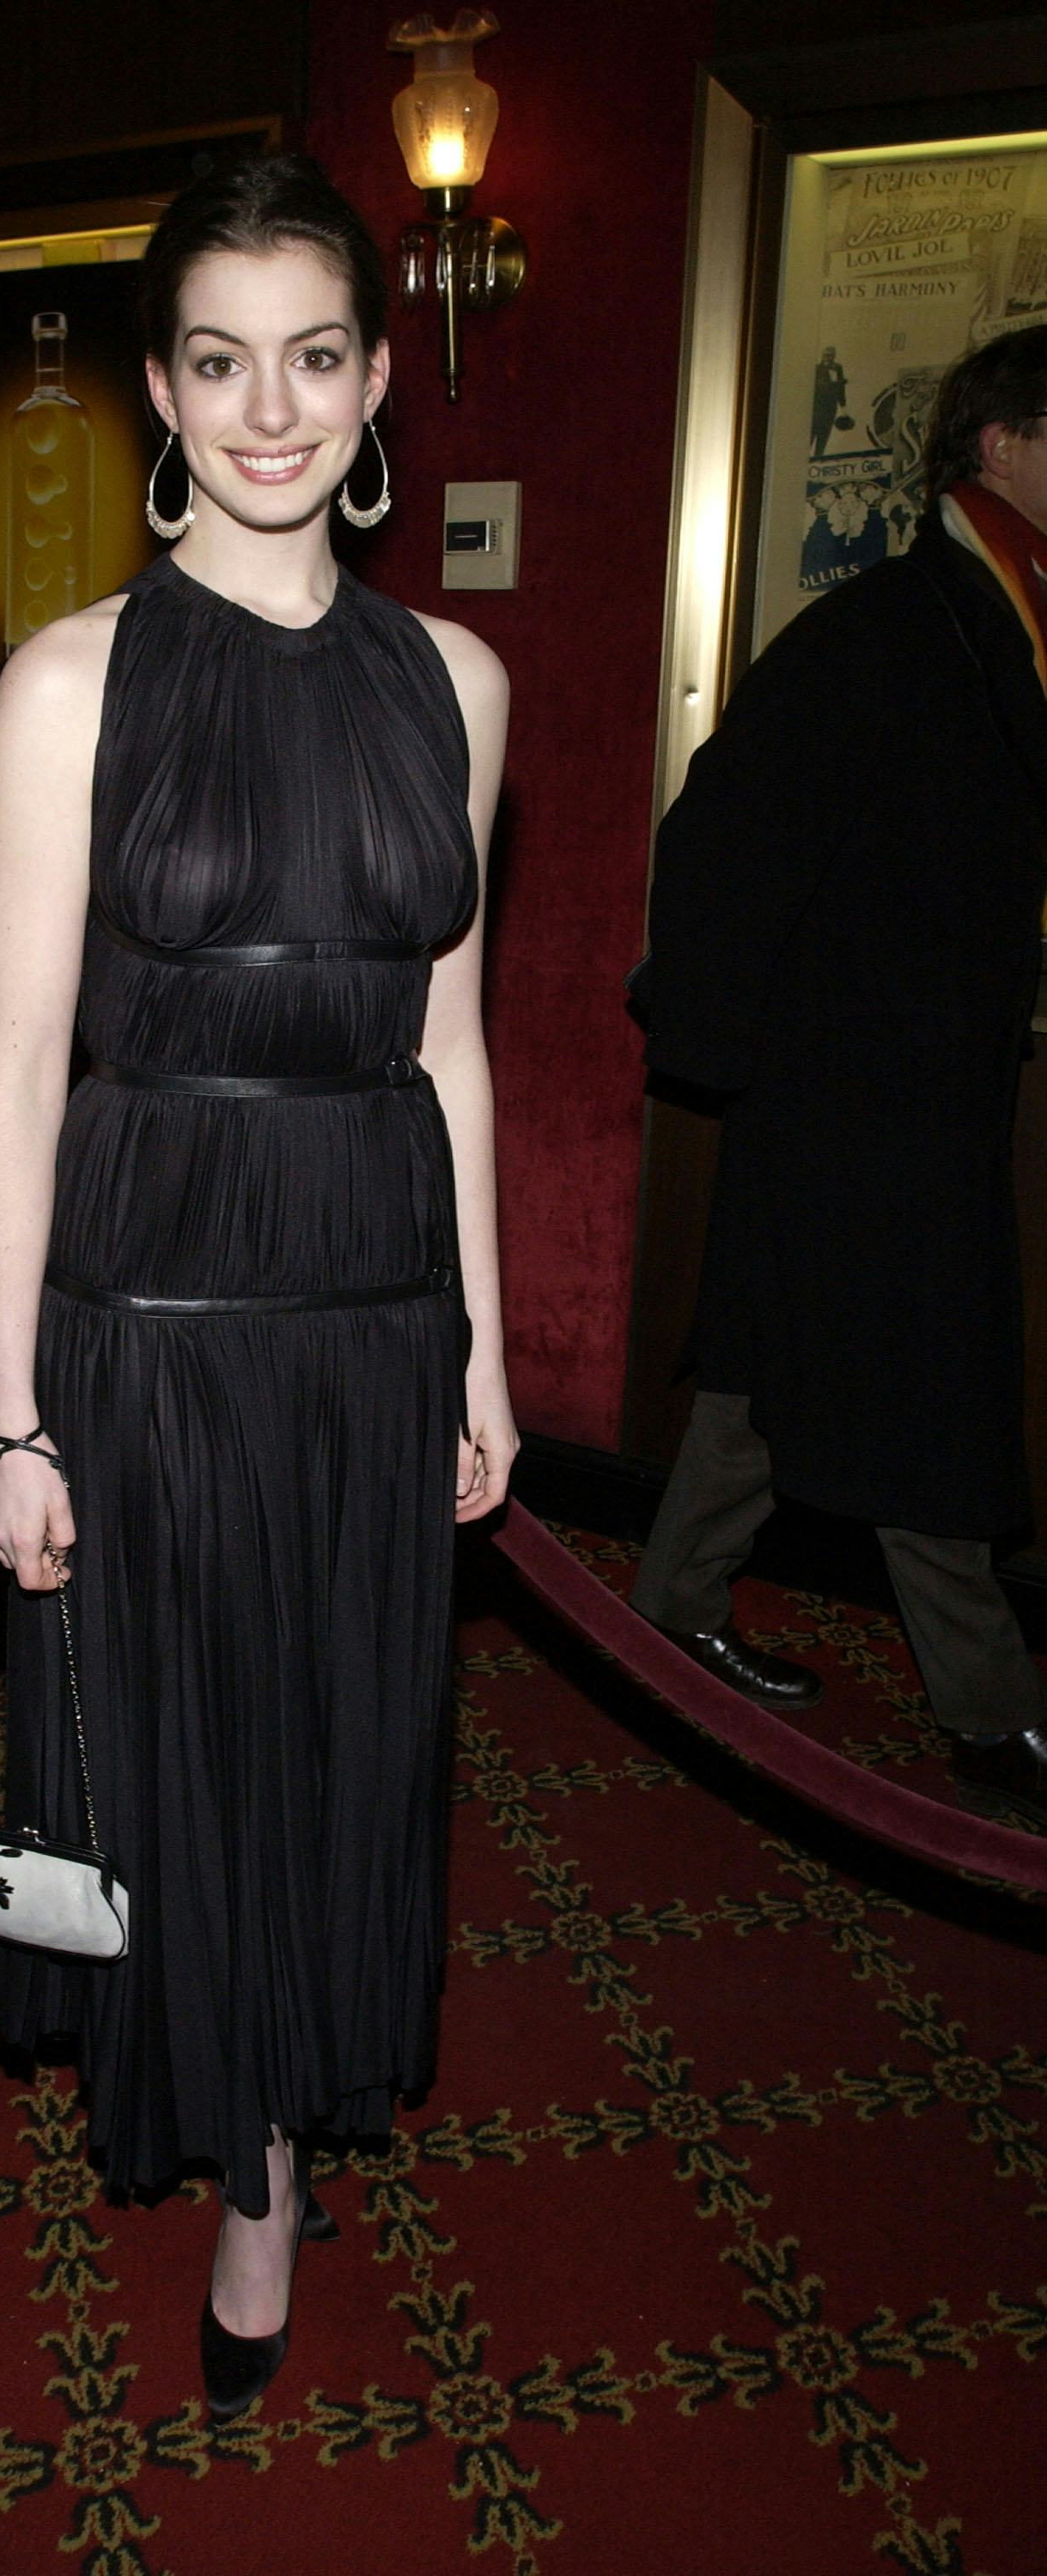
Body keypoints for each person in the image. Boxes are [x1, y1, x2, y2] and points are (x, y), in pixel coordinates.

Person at [0, 155, 515, 2419]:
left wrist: (478, 1342)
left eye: (314, 356)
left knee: (341, 1747)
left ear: (377, 377)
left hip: (375, 1307)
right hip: (162, 1312)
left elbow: (454, 1046)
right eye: (219, 360)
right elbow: (12, 1074)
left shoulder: (459, 683)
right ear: (164, 392)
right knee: (184, 1760)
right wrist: (9, 1417)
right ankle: (233, 2148)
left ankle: (278, 2146)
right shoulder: (76, 681)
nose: (268, 408)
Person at [632, 327, 1047, 1826]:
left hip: (905, 1097)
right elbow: (724, 837)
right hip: (850, 1103)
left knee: (768, 1375)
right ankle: (997, 1718)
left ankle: (669, 1602)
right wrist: (719, 1048)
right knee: (922, 1405)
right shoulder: (892, 626)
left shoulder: (1003, 619)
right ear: (998, 447)